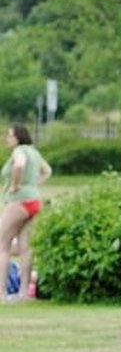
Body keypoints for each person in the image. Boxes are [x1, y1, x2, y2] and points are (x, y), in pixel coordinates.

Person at [0, 123, 51, 302]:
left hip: (18, 201)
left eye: (10, 136)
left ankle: (1, 293)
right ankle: (23, 293)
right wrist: (33, 185)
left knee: (2, 245)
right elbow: (47, 171)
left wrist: (15, 185)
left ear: (18, 137)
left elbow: (19, 165)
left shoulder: (19, 151)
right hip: (34, 200)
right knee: (25, 247)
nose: (7, 139)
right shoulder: (34, 151)